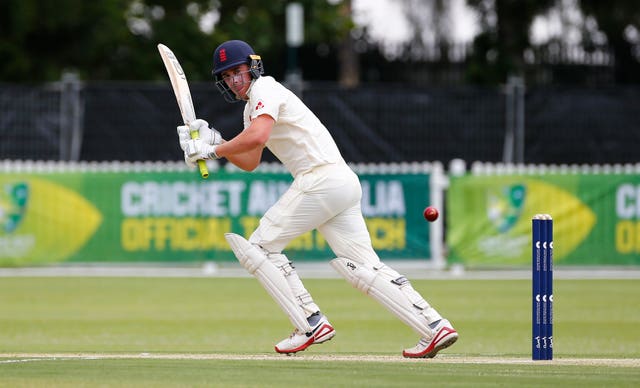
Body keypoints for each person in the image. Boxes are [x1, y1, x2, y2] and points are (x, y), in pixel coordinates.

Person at [176, 40, 458, 358]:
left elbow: (257, 137)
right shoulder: (253, 106)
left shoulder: (265, 89)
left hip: (320, 179)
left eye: (237, 72)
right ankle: (435, 326)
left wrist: (212, 150)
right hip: (339, 183)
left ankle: (310, 321)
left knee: (259, 248)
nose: (233, 81)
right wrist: (216, 140)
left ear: (252, 68)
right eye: (226, 76)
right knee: (365, 267)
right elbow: (251, 160)